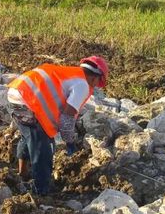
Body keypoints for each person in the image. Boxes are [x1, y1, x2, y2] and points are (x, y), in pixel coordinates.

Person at [7, 56, 109, 196]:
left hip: (14, 93)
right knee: (43, 148)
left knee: (29, 136)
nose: (95, 86)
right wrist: (70, 141)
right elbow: (67, 118)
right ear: (95, 77)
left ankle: (22, 172)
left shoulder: (69, 73)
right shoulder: (83, 85)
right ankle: (40, 191)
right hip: (27, 102)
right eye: (98, 82)